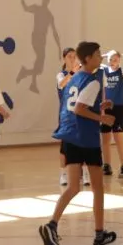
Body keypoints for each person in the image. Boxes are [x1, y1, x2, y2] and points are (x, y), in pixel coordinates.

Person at [39, 41, 118, 245]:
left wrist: (98, 106)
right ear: (88, 58)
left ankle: (52, 225)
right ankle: (99, 235)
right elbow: (80, 109)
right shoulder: (93, 81)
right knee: (98, 188)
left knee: (73, 187)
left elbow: (75, 104)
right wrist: (102, 117)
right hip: (85, 138)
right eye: (98, 54)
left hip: (69, 134)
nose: (101, 57)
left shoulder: (73, 78)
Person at [100, 49, 123, 180]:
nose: (113, 62)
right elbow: (86, 64)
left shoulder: (122, 72)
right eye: (111, 60)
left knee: (119, 138)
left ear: (119, 60)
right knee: (105, 139)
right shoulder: (103, 71)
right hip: (105, 108)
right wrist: (104, 55)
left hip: (118, 108)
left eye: (115, 60)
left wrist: (120, 53)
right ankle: (106, 165)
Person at [51, 47, 78, 189]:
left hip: (79, 114)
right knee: (65, 145)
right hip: (66, 115)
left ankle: (84, 173)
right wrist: (72, 72)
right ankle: (63, 173)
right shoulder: (61, 75)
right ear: (64, 58)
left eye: (74, 56)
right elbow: (62, 84)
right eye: (69, 56)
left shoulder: (81, 74)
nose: (72, 59)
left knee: (82, 143)